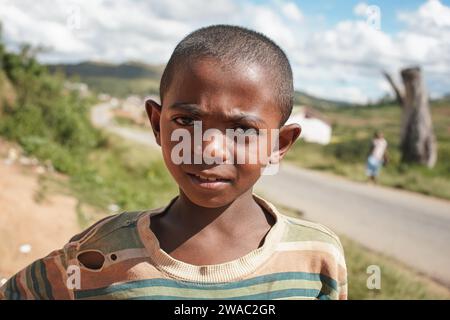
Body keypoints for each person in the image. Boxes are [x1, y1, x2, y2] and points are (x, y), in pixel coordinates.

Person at [0, 25, 347, 300]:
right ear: (156, 123)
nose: (210, 149)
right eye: (185, 122)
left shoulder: (315, 257)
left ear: (279, 143)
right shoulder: (102, 252)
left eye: (242, 129)